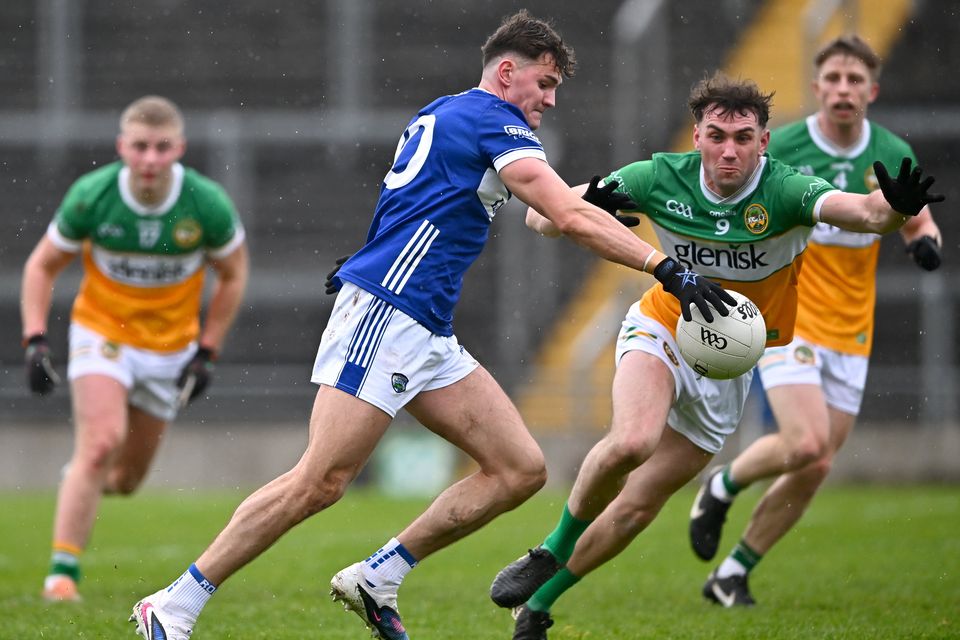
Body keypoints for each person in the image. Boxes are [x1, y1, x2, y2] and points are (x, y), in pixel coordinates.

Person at [127, 12, 733, 640]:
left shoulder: (451, 110)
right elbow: (564, 213)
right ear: (507, 72)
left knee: (519, 469)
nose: (550, 100)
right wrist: (667, 268)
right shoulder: (493, 121)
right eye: (545, 83)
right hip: (388, 312)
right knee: (321, 481)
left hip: (425, 327)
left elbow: (446, 203)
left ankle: (378, 576)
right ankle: (173, 605)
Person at [488, 71, 944, 639]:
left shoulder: (786, 190)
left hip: (731, 364)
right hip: (664, 326)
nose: (730, 150)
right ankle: (552, 549)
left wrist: (896, 211)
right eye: (717, 135)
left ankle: (536, 608)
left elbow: (867, 214)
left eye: (744, 137)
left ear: (764, 142)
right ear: (697, 136)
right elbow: (539, 217)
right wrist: (582, 204)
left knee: (636, 508)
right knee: (633, 441)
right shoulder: (659, 176)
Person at [687, 35, 943, 606]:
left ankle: (731, 574)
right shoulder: (785, 148)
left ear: (871, 91)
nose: (843, 89)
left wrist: (925, 243)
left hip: (854, 327)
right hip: (791, 313)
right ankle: (722, 485)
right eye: (833, 79)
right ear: (817, 86)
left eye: (855, 80)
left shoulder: (892, 151)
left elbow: (917, 219)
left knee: (816, 463)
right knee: (804, 444)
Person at [20, 95, 249, 602]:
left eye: (161, 147)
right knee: (101, 442)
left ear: (180, 149)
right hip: (103, 334)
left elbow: (233, 275)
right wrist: (35, 340)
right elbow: (42, 266)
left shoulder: (205, 204)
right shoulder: (92, 196)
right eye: (140, 147)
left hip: (170, 350)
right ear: (122, 147)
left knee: (124, 480)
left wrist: (208, 350)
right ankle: (62, 575)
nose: (150, 159)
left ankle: (81, 478)